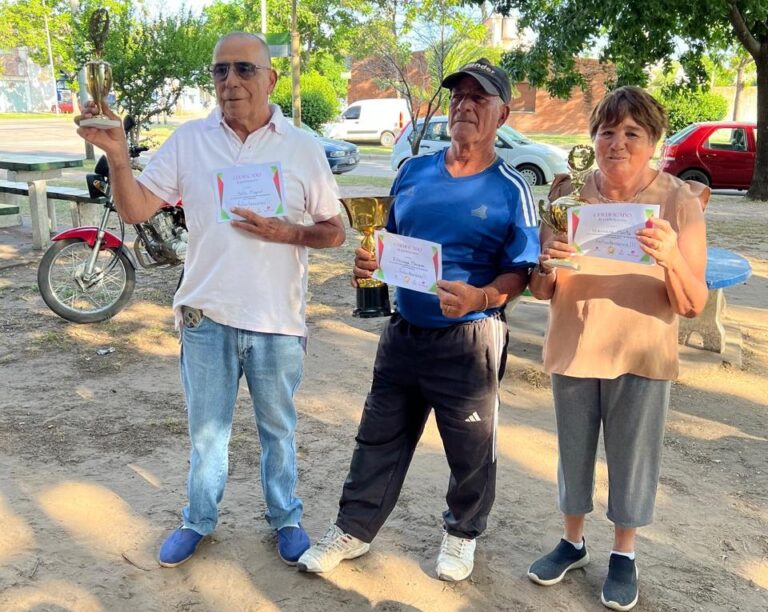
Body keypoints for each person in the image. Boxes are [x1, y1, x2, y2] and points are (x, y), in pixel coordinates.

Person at [75, 32, 345, 567]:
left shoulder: (302, 148)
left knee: (278, 430)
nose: (231, 82)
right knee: (207, 435)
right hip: (207, 316)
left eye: (244, 70)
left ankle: (285, 518)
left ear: (270, 78)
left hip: (276, 320)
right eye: (220, 71)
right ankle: (198, 519)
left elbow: (333, 231)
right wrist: (120, 159)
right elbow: (135, 210)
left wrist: (286, 233)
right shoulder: (189, 142)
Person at [297, 59, 540, 582]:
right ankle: (354, 530)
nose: (465, 106)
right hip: (404, 331)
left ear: (501, 114)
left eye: (480, 98)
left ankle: (461, 532)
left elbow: (522, 271)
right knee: (377, 435)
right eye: (458, 97)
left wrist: (480, 296)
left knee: (470, 447)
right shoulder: (413, 171)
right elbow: (385, 241)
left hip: (471, 338)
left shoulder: (510, 187)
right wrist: (369, 265)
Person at [526, 86, 708, 611]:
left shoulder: (680, 201)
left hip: (641, 354)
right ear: (594, 139)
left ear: (653, 141)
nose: (618, 143)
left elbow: (692, 302)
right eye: (607, 131)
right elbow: (541, 290)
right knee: (572, 454)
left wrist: (671, 256)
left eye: (632, 132)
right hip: (575, 345)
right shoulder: (567, 196)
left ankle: (624, 554)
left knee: (632, 459)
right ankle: (573, 541)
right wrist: (546, 262)